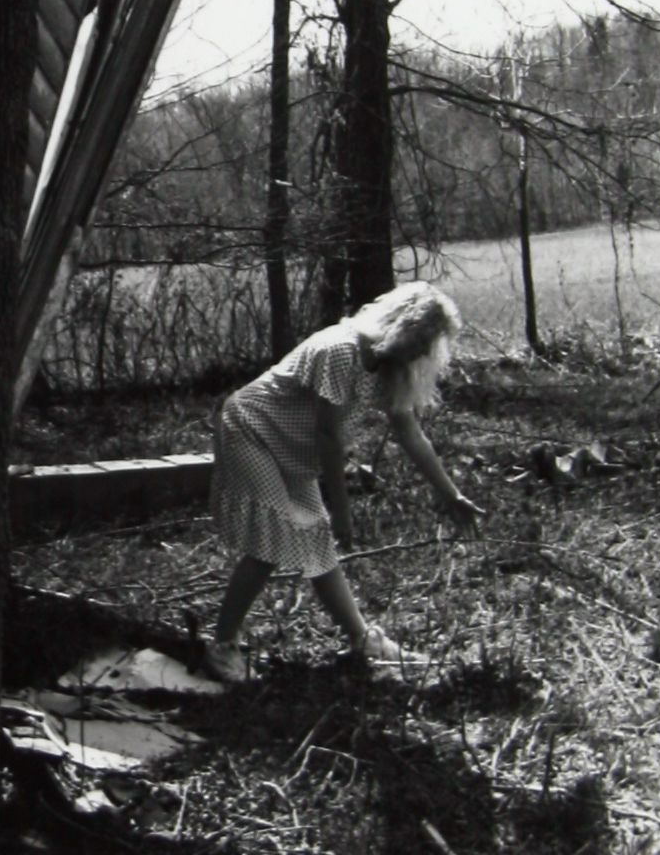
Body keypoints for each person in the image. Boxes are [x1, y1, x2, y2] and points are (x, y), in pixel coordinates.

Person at [203, 281, 483, 683]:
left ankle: (362, 640)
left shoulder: (388, 366)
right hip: (252, 430)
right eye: (422, 342)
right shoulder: (339, 349)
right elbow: (328, 437)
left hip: (291, 447)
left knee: (316, 542)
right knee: (271, 539)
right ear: (403, 328)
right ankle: (222, 645)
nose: (423, 352)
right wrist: (342, 510)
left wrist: (450, 494)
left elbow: (410, 433)